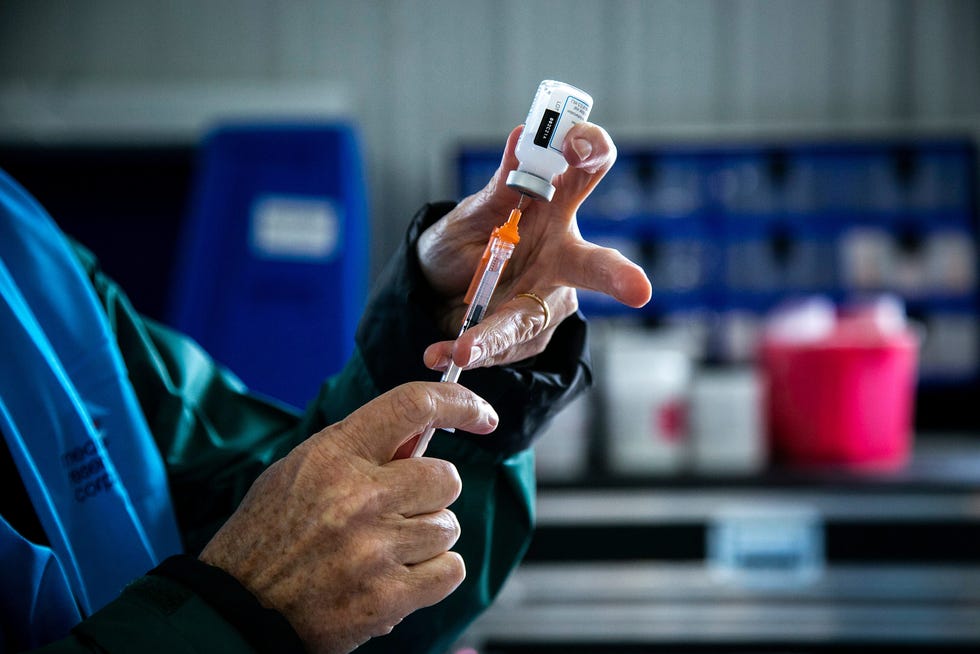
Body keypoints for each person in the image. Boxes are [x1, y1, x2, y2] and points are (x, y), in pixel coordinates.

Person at [0, 121, 651, 653]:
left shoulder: (22, 254)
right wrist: (240, 614)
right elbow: (272, 565)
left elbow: (253, 495)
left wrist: (436, 323)